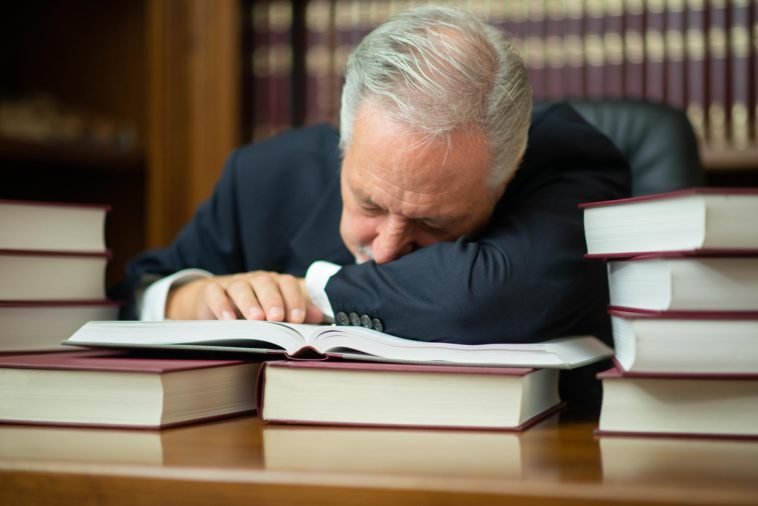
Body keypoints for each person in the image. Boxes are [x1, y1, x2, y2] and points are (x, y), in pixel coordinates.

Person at [119, 5, 629, 349]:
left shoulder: (566, 159)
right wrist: (194, 299)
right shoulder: (263, 178)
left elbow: (490, 299)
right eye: (367, 204)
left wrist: (310, 293)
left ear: (508, 171)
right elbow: (139, 292)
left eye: (433, 221)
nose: (385, 250)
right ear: (345, 144)